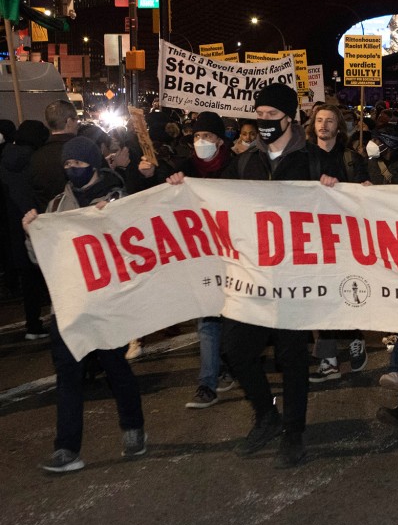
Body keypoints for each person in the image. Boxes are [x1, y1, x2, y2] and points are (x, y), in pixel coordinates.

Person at [214, 83, 343, 469]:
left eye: (272, 114)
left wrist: (335, 191)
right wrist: (174, 182)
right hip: (252, 276)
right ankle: (266, 416)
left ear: (289, 118)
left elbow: (348, 210)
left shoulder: (314, 161)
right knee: (235, 350)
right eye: (260, 114)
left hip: (296, 276)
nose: (264, 120)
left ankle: (293, 431)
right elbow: (209, 195)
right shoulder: (243, 162)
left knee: (291, 357)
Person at [22, 136, 146, 473]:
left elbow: (137, 241)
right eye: (67, 165)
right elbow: (40, 259)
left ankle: (133, 426)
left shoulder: (117, 196)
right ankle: (66, 449)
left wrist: (111, 220)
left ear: (93, 163)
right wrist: (33, 234)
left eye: (78, 163)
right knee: (68, 376)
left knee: (116, 368)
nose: (72, 169)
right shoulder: (55, 206)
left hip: (107, 303)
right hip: (70, 305)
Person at [165, 112, 236, 409]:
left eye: (206, 137)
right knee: (207, 319)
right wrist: (155, 178)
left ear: (220, 140)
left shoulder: (237, 168)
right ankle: (207, 384)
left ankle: (228, 367)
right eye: (196, 137)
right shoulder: (184, 169)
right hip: (201, 256)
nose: (201, 142)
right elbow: (156, 197)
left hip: (233, 255)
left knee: (233, 319)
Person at [306, 104, 371, 381]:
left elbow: (365, 194)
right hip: (312, 237)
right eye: (319, 120)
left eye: (330, 120)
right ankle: (328, 358)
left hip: (345, 239)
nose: (324, 125)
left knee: (347, 292)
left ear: (339, 127)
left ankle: (357, 338)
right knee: (322, 298)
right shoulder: (302, 158)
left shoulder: (351, 158)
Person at [0, 120, 51, 339]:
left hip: (11, 227)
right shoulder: (36, 161)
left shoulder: (4, 159)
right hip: (34, 223)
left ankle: (32, 324)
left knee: (27, 278)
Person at [30, 99, 80, 209]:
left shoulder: (36, 156)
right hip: (77, 220)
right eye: (76, 119)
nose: (77, 124)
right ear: (69, 122)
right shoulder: (82, 151)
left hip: (47, 220)